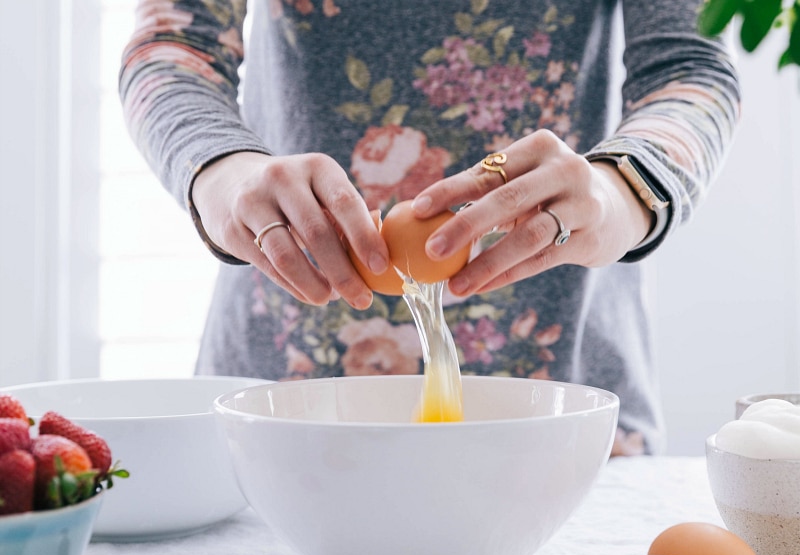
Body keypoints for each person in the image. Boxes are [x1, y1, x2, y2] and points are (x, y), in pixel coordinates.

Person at [119, 0, 740, 455]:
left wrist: (619, 188)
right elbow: (170, 47)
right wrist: (225, 172)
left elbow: (691, 67)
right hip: (283, 398)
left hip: (563, 390)